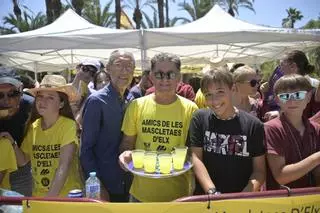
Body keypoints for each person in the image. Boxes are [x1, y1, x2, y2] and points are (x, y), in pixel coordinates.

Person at [119, 53, 198, 202]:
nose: (165, 79)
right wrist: (125, 155)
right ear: (151, 77)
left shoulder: (191, 109)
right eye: (159, 74)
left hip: (178, 196)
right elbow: (127, 143)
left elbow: (194, 152)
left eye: (170, 74)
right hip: (140, 194)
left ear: (179, 77)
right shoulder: (137, 106)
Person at [188, 68, 266, 194]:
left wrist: (241, 197)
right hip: (207, 200)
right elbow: (196, 157)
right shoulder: (199, 118)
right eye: (208, 95)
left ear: (233, 89)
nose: (214, 101)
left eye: (220, 92)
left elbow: (259, 171)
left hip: (241, 202)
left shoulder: (254, 125)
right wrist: (212, 192)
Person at [4, 74, 83, 197]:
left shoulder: (68, 125)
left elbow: (64, 165)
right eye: (40, 96)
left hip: (66, 198)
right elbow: (23, 161)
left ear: (61, 104)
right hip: (39, 197)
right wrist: (12, 142)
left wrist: (49, 200)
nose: (42, 101)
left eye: (50, 97)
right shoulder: (34, 126)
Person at [80, 50, 135, 202]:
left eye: (129, 66)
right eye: (119, 65)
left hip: (131, 183)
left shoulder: (133, 99)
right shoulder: (97, 101)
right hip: (106, 184)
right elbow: (86, 150)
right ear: (108, 69)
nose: (124, 70)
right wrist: (97, 185)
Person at [265, 74, 320, 190]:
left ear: (309, 97)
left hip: (310, 201)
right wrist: (317, 157)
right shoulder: (271, 128)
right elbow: (281, 176)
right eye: (285, 96)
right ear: (277, 100)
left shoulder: (316, 129)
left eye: (298, 95)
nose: (292, 101)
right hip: (281, 202)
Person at [0, 68, 33, 196]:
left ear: (20, 92)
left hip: (23, 168)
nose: (6, 100)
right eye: (0, 95)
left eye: (12, 94)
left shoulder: (32, 108)